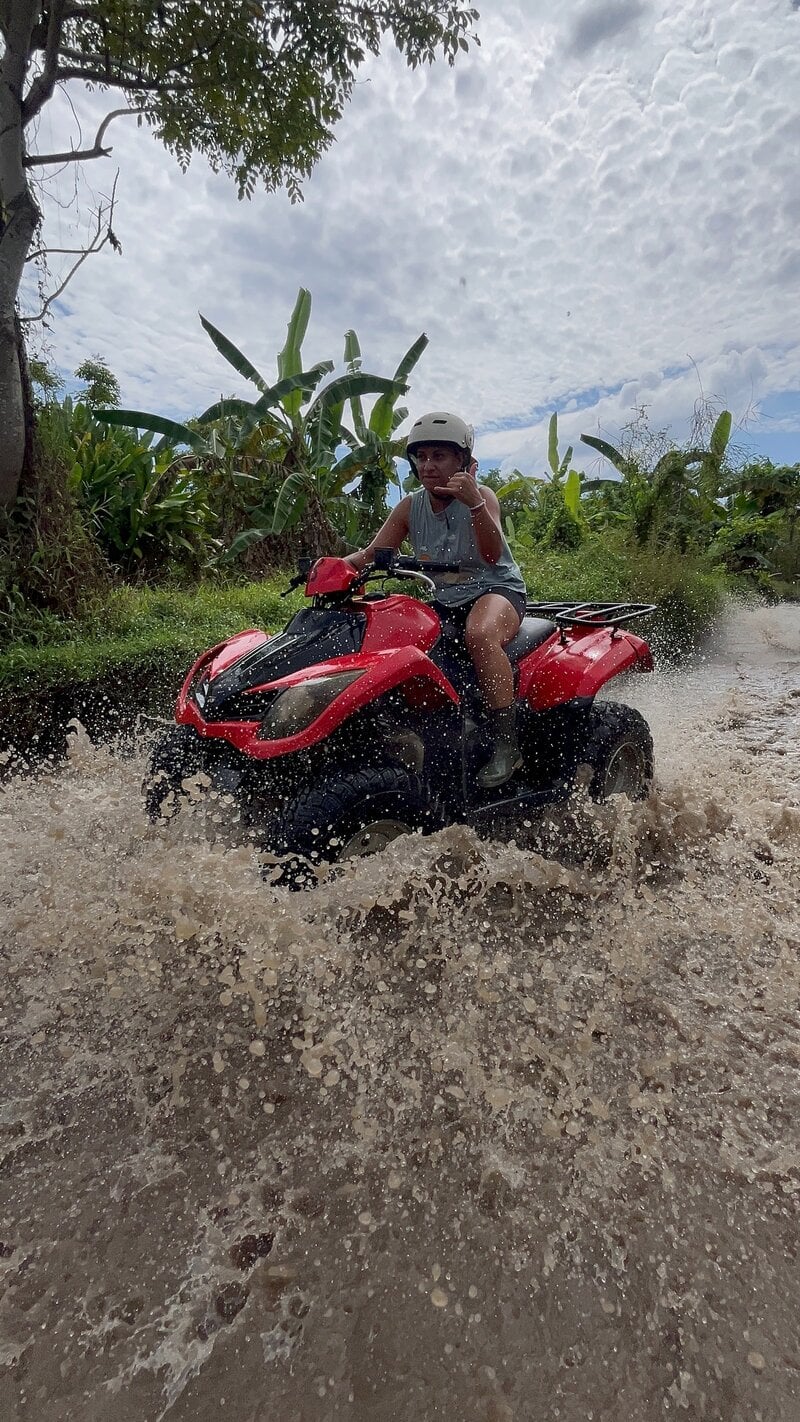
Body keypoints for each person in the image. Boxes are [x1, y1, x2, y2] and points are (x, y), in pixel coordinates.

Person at [346, 411, 528, 788]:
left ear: (462, 461)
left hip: (495, 590)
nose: (428, 465)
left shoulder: (483, 497)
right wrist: (330, 568)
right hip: (445, 599)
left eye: (439, 456)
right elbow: (370, 554)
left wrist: (475, 502)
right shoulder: (411, 507)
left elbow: (493, 556)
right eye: (421, 456)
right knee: (393, 643)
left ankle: (506, 746)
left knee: (479, 634)